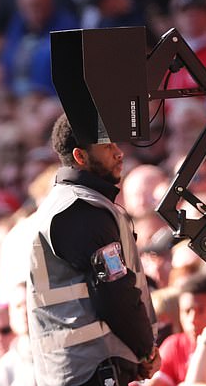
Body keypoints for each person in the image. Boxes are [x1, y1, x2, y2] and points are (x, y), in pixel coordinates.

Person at [26, 114, 159, 386]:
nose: (119, 152)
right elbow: (114, 292)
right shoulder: (80, 210)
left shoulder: (63, 205)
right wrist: (145, 349)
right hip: (93, 369)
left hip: (75, 369)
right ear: (80, 156)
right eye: (107, 146)